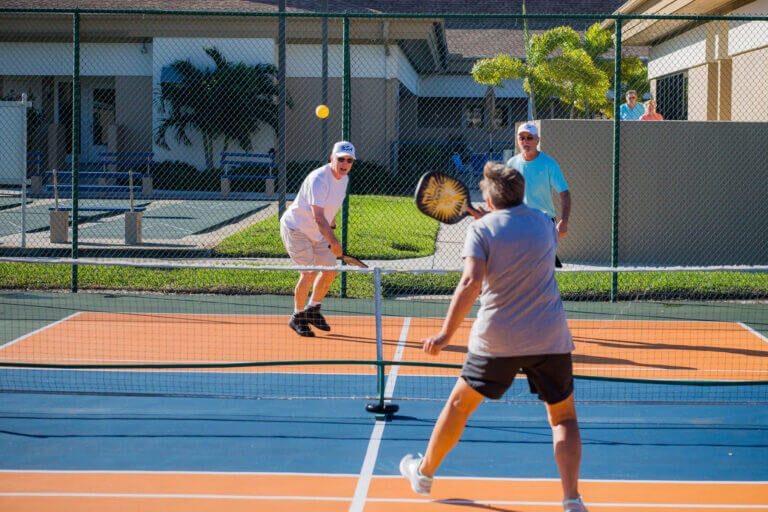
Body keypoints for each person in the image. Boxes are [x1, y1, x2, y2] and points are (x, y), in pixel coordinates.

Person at [399, 162, 588, 512]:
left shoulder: (481, 231)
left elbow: (471, 283)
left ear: (489, 196)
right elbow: (518, 226)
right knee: (563, 419)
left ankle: (424, 475)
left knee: (458, 406)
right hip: (550, 336)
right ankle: (572, 500)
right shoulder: (546, 224)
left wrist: (444, 335)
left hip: (497, 339)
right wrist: (494, 218)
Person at [279, 141, 355, 337]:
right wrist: (335, 242)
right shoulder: (319, 179)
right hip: (296, 229)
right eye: (340, 159)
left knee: (330, 271)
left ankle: (313, 309)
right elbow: (318, 217)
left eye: (349, 160)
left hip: (318, 232)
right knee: (309, 273)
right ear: (332, 159)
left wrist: (333, 227)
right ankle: (297, 317)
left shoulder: (344, 180)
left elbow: (331, 209)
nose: (344, 164)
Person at [507, 122, 570, 266]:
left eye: (529, 138)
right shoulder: (511, 163)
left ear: (537, 140)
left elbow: (565, 194)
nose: (525, 141)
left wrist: (564, 221)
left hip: (544, 222)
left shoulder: (549, 164)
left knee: (539, 266)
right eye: (521, 138)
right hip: (519, 222)